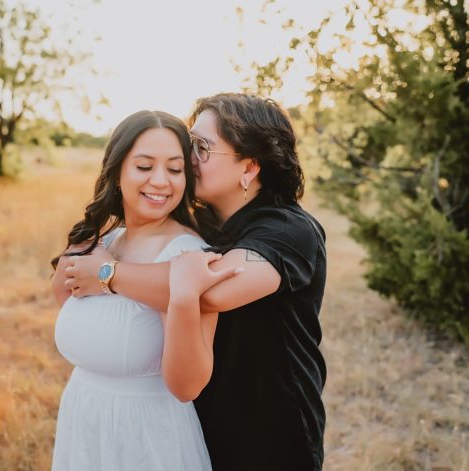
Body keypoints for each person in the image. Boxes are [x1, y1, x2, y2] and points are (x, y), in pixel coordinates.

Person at [63, 93, 328, 470]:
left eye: (202, 148)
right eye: (191, 143)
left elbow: (212, 290)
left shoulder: (288, 228)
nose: (189, 158)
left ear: (249, 168)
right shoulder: (203, 221)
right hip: (200, 420)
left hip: (269, 433)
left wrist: (108, 274)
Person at [49, 110, 237, 470]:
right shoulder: (105, 241)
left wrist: (180, 295)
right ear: (117, 171)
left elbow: (188, 386)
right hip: (83, 422)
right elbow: (69, 302)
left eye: (175, 168)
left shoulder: (186, 256)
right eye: (144, 166)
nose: (161, 181)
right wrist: (85, 248)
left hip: (146, 440)